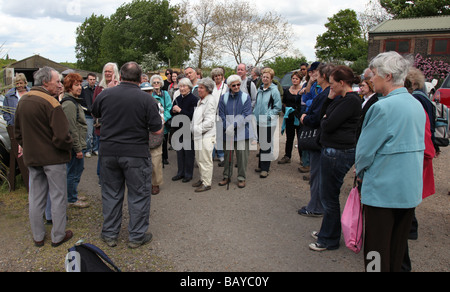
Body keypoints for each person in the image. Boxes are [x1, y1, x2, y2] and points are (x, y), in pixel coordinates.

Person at [355, 51, 425, 271]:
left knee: (376, 249)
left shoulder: (381, 107)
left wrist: (360, 173)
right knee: (397, 248)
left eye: (374, 74)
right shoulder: (417, 105)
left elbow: (365, 152)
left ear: (387, 76)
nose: (371, 79)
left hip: (382, 191)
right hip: (408, 191)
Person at [91, 62, 162, 249]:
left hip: (109, 152)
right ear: (140, 79)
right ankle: (136, 236)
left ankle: (110, 234)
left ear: (120, 76)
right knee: (138, 194)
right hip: (136, 154)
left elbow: (95, 113)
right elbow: (157, 129)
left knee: (111, 193)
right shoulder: (148, 100)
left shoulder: (105, 94)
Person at [14, 66, 74, 247]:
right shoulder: (52, 104)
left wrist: (29, 148)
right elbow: (63, 137)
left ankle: (38, 236)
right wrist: (67, 148)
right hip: (53, 159)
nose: (60, 85)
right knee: (58, 196)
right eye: (57, 81)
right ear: (46, 82)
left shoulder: (23, 101)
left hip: (33, 158)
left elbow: (18, 133)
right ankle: (58, 235)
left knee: (35, 197)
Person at [309, 65, 361, 252]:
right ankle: (327, 231)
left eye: (332, 85)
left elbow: (327, 124)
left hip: (338, 152)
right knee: (327, 195)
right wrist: (329, 101)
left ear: (341, 82)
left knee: (329, 197)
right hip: (331, 150)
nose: (330, 87)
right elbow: (323, 118)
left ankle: (329, 239)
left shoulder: (351, 101)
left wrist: (324, 118)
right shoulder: (342, 99)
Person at [297, 63, 335, 217]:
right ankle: (316, 204)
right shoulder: (323, 92)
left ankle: (315, 207)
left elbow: (317, 117)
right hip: (320, 139)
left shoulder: (326, 94)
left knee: (317, 174)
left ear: (324, 76)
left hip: (318, 139)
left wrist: (305, 118)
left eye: (317, 74)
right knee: (317, 174)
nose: (314, 76)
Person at [218, 75, 253, 188]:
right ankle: (226, 176)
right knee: (228, 155)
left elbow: (246, 114)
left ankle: (241, 178)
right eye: (234, 85)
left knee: (242, 157)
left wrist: (234, 125)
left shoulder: (245, 97)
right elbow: (221, 114)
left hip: (242, 132)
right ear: (229, 86)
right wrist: (227, 127)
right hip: (227, 132)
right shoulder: (223, 97)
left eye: (238, 84)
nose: (237, 87)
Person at [61, 73, 89, 208]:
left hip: (79, 144)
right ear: (69, 87)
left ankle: (73, 194)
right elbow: (71, 129)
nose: (80, 88)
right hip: (74, 146)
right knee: (73, 172)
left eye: (80, 85)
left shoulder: (74, 101)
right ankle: (71, 199)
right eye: (76, 85)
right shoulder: (69, 104)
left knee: (77, 170)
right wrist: (78, 149)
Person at [92, 63, 120, 181]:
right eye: (106, 71)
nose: (108, 73)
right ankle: (101, 177)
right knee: (102, 154)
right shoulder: (99, 87)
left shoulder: (120, 86)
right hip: (102, 127)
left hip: (117, 127)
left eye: (110, 71)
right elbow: (95, 106)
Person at [253, 68, 282, 178]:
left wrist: (268, 117)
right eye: (263, 76)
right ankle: (261, 165)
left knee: (266, 145)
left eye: (267, 77)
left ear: (271, 79)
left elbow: (277, 107)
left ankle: (265, 169)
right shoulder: (260, 89)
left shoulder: (274, 91)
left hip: (268, 122)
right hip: (258, 121)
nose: (265, 78)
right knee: (262, 143)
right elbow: (257, 104)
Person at [170, 78, 198, 183]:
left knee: (188, 153)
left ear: (189, 87)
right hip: (177, 129)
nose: (181, 88)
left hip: (188, 129)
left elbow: (192, 115)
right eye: (180, 86)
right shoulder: (177, 98)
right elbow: (171, 111)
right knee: (179, 153)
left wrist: (180, 110)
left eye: (184, 86)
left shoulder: (194, 99)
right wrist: (173, 110)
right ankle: (180, 172)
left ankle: (188, 174)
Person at [192, 78, 217, 192]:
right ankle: (203, 179)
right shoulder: (201, 100)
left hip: (206, 136)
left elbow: (209, 122)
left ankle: (207, 183)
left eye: (201, 88)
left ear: (208, 89)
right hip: (199, 135)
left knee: (205, 160)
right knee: (199, 159)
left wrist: (196, 129)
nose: (198, 90)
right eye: (198, 87)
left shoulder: (210, 100)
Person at [141, 82, 164, 195]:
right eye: (145, 91)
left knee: (155, 162)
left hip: (154, 137)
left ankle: (155, 184)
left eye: (149, 91)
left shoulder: (157, 103)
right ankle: (144, 183)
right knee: (141, 163)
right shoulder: (136, 104)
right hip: (140, 137)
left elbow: (161, 120)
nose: (147, 93)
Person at [278, 71, 303, 164]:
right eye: (293, 78)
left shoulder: (303, 90)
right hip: (289, 117)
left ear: (300, 80)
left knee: (300, 138)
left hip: (299, 117)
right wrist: (286, 110)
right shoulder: (287, 90)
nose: (294, 80)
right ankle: (287, 156)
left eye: (296, 79)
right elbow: (283, 102)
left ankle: (302, 158)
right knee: (289, 138)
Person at [151, 74, 173, 166]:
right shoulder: (150, 94)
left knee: (164, 139)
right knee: (155, 139)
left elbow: (169, 107)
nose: (156, 84)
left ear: (161, 83)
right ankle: (156, 158)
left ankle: (164, 157)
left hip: (163, 120)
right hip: (153, 121)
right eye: (154, 82)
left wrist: (164, 118)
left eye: (158, 82)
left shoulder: (165, 94)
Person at [211, 68, 228, 166]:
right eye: (215, 76)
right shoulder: (210, 87)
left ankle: (221, 154)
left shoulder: (226, 87)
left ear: (222, 76)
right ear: (213, 77)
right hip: (211, 115)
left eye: (219, 75)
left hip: (222, 114)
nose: (217, 77)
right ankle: (212, 155)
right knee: (211, 135)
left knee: (220, 136)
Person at [80, 73, 97, 158]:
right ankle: (88, 150)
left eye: (94, 79)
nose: (92, 81)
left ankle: (95, 149)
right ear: (87, 80)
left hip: (96, 115)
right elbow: (81, 103)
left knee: (96, 134)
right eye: (90, 79)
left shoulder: (97, 89)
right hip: (88, 115)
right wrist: (89, 110)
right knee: (89, 134)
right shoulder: (84, 89)